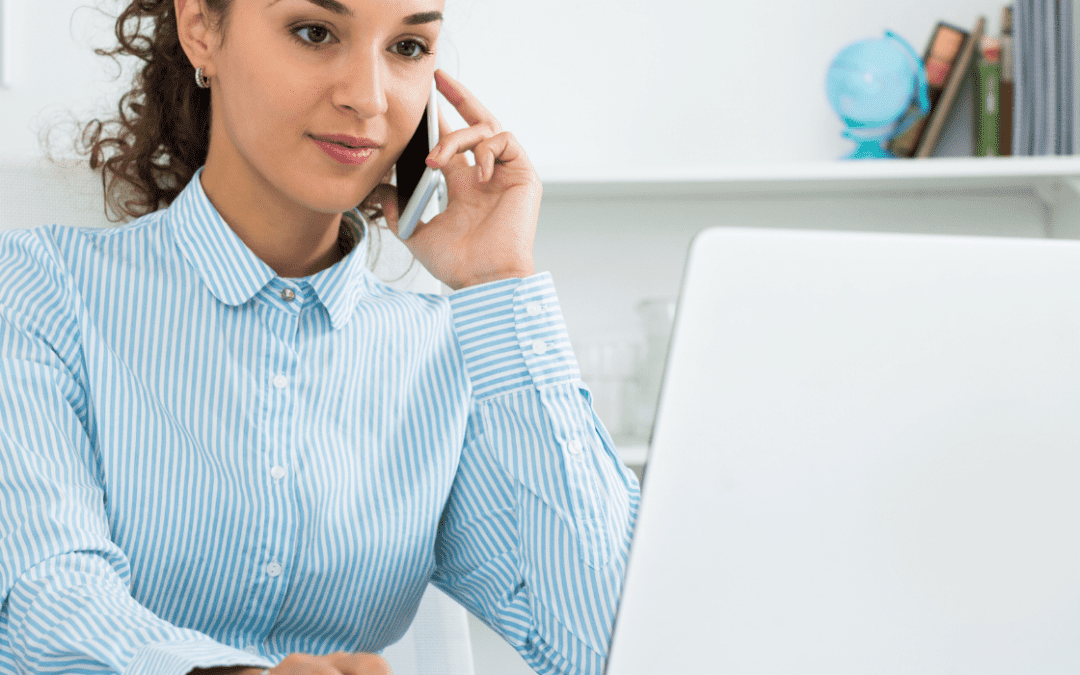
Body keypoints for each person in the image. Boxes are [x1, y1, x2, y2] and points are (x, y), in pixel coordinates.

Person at [0, 0, 640, 674]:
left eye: (409, 48)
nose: (367, 98)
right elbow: (43, 599)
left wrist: (501, 282)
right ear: (200, 29)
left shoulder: (442, 356)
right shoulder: (40, 292)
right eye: (314, 32)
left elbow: (613, 643)